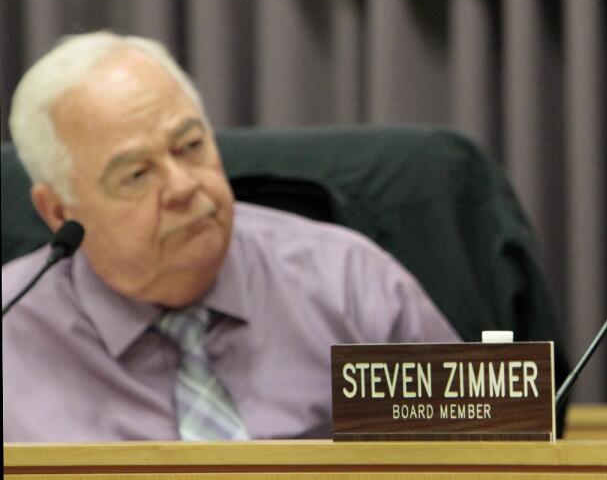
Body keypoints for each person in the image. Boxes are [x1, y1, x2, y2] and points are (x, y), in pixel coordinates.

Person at [2, 32, 459, 441]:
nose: (183, 186)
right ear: (58, 210)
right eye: (138, 174)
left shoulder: (348, 284)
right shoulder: (12, 330)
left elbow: (483, 455)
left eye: (192, 146)